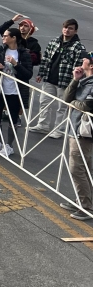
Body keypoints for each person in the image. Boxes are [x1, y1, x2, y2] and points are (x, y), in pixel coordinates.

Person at [0, 27, 33, 157]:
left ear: (14, 38)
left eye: (6, 36)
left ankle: (9, 145)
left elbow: (28, 74)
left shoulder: (24, 53)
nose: (3, 38)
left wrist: (16, 64)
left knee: (13, 119)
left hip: (15, 92)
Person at [33, 19, 85, 139]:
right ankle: (43, 125)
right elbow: (45, 58)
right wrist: (41, 73)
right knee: (44, 102)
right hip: (49, 79)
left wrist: (74, 82)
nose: (67, 30)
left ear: (75, 31)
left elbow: (78, 66)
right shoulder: (54, 42)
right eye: (65, 27)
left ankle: (59, 130)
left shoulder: (78, 47)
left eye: (70, 28)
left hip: (65, 82)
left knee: (62, 107)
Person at [61, 54, 93, 220]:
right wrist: (75, 79)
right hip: (75, 128)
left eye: (86, 60)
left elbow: (86, 106)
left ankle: (86, 206)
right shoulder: (84, 81)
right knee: (84, 168)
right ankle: (82, 200)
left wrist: (73, 103)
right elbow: (66, 98)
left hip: (84, 132)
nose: (82, 61)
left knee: (77, 169)